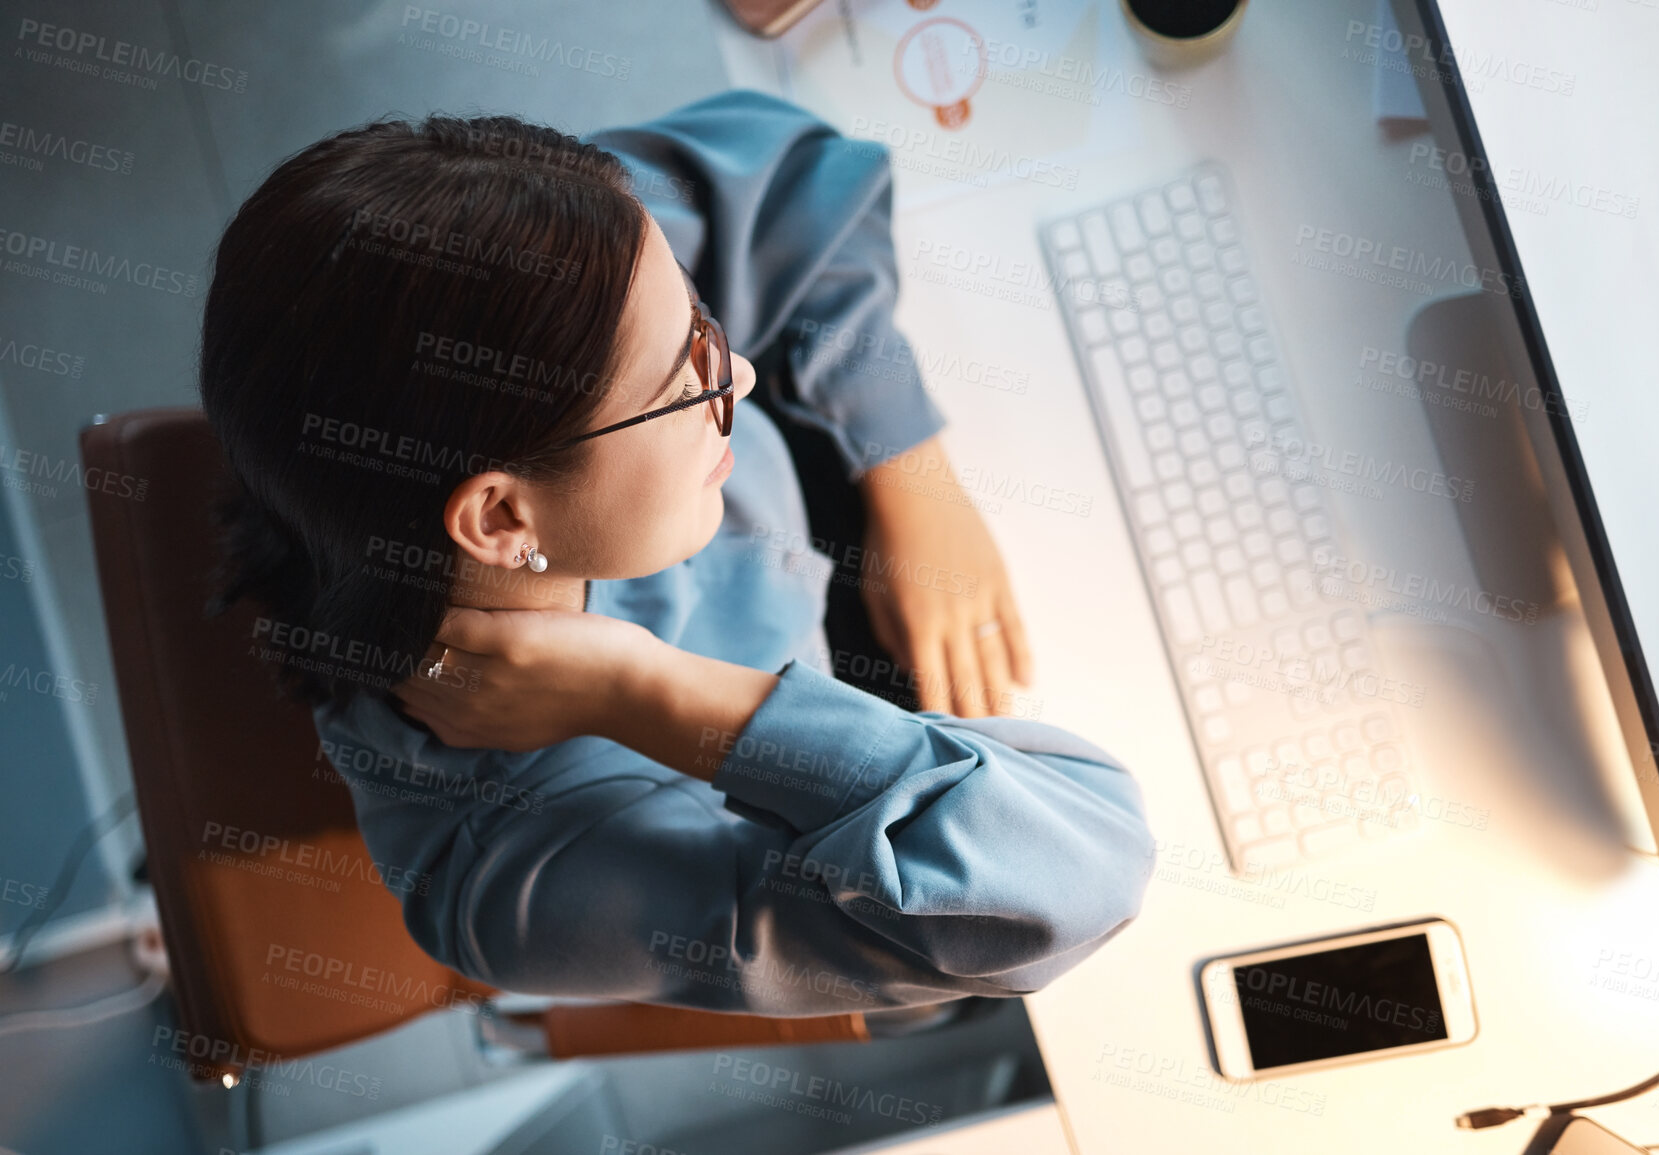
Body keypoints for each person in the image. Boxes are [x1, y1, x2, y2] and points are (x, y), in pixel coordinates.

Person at [200, 89, 1155, 1016]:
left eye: (702, 316)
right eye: (682, 373)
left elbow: (803, 172)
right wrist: (648, 697)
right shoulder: (531, 872)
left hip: (847, 540)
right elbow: (1077, 871)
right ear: (500, 521)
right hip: (878, 769)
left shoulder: (563, 273)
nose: (733, 368)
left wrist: (909, 468)